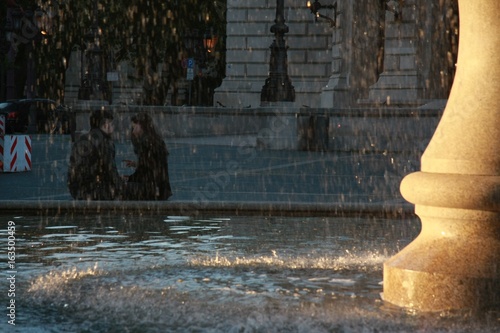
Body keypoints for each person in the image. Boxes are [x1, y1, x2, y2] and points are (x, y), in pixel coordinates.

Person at [67, 109, 124, 200]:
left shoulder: (83, 139)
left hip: (77, 189)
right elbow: (110, 169)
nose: (113, 128)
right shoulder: (105, 141)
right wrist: (121, 187)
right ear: (106, 125)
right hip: (94, 190)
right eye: (112, 124)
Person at [123, 113, 172, 200]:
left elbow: (147, 172)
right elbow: (151, 166)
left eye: (134, 128)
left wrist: (129, 178)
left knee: (120, 189)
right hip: (160, 188)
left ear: (142, 126)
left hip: (153, 189)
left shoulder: (146, 143)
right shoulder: (153, 140)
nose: (133, 131)